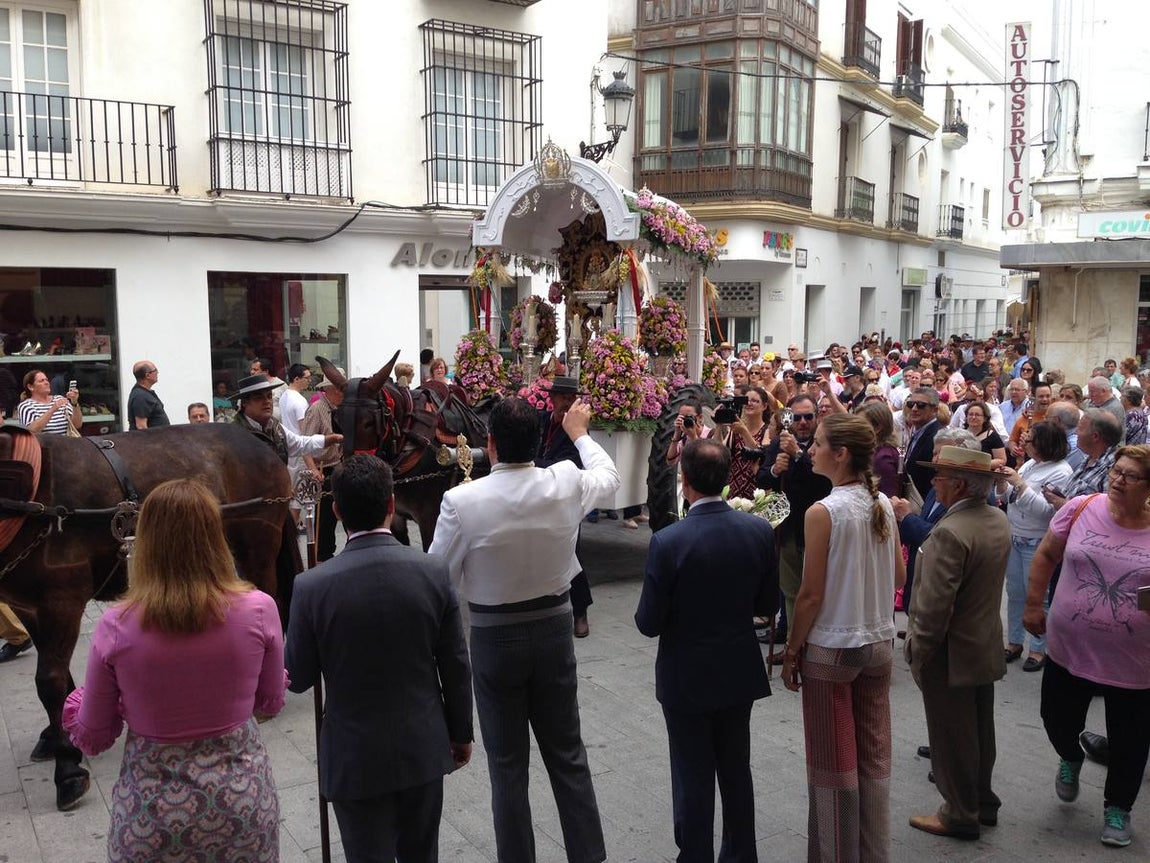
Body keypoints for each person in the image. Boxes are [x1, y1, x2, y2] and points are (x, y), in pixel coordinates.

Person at [428, 397, 619, 863]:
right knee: (568, 756)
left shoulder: (462, 500)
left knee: (508, 768)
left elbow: (438, 579)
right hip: (554, 629)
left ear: (489, 444)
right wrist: (579, 434)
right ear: (538, 444)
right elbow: (610, 479)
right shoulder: (564, 481)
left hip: (495, 638)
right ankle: (589, 856)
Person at [62, 480, 284, 860]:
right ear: (215, 535)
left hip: (152, 817)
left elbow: (93, 734)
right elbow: (270, 699)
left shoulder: (117, 624)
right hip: (243, 807)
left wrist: (105, 701)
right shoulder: (259, 608)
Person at [285, 455, 473, 862]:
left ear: (336, 511)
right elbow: (455, 664)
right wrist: (460, 732)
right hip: (422, 744)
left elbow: (297, 677)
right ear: (391, 503)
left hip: (353, 755)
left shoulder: (311, 586)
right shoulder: (432, 572)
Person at [635, 438, 778, 862]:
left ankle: (695, 855)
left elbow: (648, 623)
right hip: (736, 670)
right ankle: (740, 854)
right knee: (736, 770)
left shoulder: (669, 541)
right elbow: (767, 606)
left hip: (688, 676)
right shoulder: (757, 530)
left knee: (693, 773)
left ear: (685, 480)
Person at [782, 414, 904, 862]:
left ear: (841, 453)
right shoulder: (883, 504)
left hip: (833, 647)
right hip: (879, 642)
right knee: (874, 759)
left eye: (816, 444)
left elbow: (810, 595)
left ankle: (837, 854)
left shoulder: (824, 511)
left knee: (834, 767)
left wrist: (793, 650)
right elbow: (899, 574)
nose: (810, 450)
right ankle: (874, 853)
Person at [1022, 445, 1150, 849]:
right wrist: (1032, 603)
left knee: (1130, 740)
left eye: (1130, 476)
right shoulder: (1081, 507)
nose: (1117, 479)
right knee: (1056, 719)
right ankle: (1071, 757)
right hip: (1067, 646)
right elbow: (1046, 554)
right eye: (1117, 470)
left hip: (1135, 661)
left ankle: (1119, 808)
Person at [905, 446, 1011, 840]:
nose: (934, 483)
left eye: (940, 477)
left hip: (951, 651)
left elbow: (933, 609)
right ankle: (981, 801)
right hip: (982, 644)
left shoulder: (950, 531)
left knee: (951, 736)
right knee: (980, 731)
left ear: (960, 485)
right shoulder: (996, 518)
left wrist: (919, 652)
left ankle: (960, 813)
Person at [995, 421, 1072, 672]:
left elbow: (1044, 511)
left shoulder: (1061, 471)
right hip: (1015, 536)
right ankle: (1015, 641)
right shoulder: (1030, 464)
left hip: (1038, 540)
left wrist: (1018, 482)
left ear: (1044, 443)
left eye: (1030, 439)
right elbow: (1009, 499)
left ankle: (1038, 647)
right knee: (1015, 592)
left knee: (1037, 595)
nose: (1025, 442)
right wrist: (1002, 483)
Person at [755, 395, 832, 634]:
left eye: (808, 417)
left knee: (817, 591)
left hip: (819, 528)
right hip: (788, 528)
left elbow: (824, 480)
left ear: (817, 417)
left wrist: (798, 455)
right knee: (790, 590)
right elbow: (762, 478)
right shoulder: (779, 442)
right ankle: (792, 643)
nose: (802, 422)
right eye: (796, 417)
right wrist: (776, 470)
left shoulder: (826, 444)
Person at [536, 376, 597, 638]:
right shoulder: (540, 421)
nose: (568, 403)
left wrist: (534, 464)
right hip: (538, 496)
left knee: (572, 553)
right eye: (562, 398)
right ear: (552, 399)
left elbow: (570, 465)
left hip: (566, 499)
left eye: (572, 399)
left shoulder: (578, 429)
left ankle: (580, 611)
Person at [301, 369, 346, 562]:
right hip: (323, 468)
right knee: (325, 520)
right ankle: (323, 556)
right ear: (329, 389)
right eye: (340, 390)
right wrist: (312, 470)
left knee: (346, 511)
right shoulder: (317, 408)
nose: (343, 394)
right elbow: (305, 444)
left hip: (341, 465)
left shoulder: (344, 407)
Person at [1043, 409, 1121, 512]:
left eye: (1080, 428)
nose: (1076, 432)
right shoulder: (1089, 458)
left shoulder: (1113, 470)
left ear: (1095, 437)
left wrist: (1065, 505)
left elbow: (1106, 515)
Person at [724, 385, 770, 498]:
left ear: (764, 406)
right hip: (733, 493)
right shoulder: (736, 429)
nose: (749, 404)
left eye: (755, 401)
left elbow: (761, 456)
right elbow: (721, 452)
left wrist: (744, 432)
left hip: (755, 493)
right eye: (747, 401)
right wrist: (720, 424)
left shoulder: (767, 430)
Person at [903, 387, 943, 500]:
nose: (914, 409)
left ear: (935, 410)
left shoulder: (938, 436)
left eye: (921, 405)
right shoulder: (918, 431)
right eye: (911, 404)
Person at [856, 400, 900, 496]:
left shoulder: (883, 458)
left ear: (877, 428)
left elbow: (888, 499)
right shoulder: (876, 452)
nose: (854, 428)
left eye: (860, 424)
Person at [17, 369, 81, 434]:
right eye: (41, 381)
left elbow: (77, 425)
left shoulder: (59, 399)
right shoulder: (26, 406)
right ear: (30, 387)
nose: (46, 383)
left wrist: (74, 404)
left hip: (65, 443)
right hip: (42, 444)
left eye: (46, 380)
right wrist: (52, 410)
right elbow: (31, 431)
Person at [126, 360, 170, 429]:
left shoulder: (145, 393)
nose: (157, 373)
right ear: (148, 375)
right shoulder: (140, 397)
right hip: (151, 439)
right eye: (155, 370)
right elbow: (141, 426)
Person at [963, 400, 1007, 468]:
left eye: (977, 415)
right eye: (971, 414)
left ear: (985, 418)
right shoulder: (960, 434)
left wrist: (979, 464)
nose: (973, 417)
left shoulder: (993, 437)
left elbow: (1001, 460)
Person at [1086, 376, 1127, 443]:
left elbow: (1106, 436)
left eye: (1092, 391)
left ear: (1103, 391)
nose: (1089, 395)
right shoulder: (1095, 403)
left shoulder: (1114, 408)